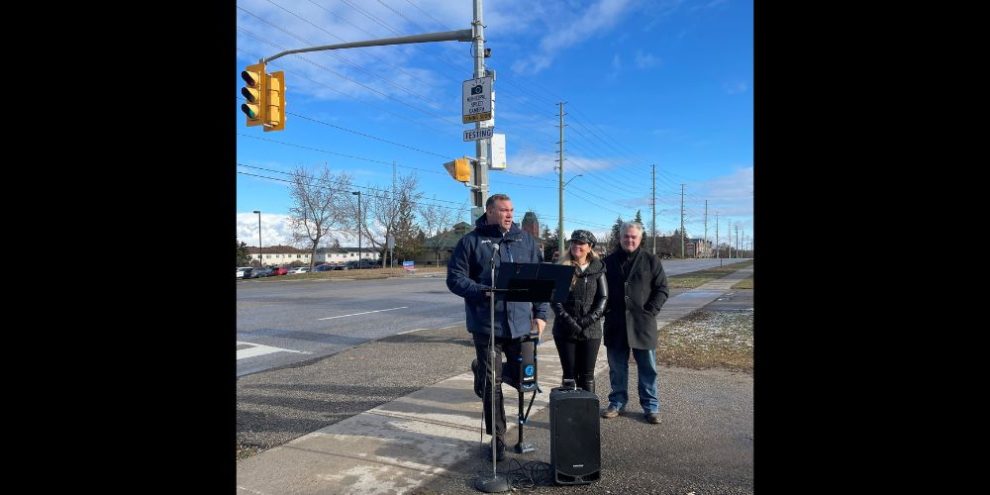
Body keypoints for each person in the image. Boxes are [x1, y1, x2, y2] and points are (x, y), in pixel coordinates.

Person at [446, 193, 549, 461]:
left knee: (522, 379)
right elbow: (455, 279)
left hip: (520, 326)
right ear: (490, 211)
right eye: (503, 210)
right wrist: (481, 291)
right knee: (493, 384)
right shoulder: (471, 241)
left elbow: (538, 279)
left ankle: (480, 372)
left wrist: (540, 314)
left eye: (512, 210)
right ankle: (498, 438)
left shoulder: (525, 240)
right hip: (486, 324)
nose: (509, 215)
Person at [601, 221, 669, 424]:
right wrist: (606, 310)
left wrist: (650, 311)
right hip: (616, 324)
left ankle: (651, 407)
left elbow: (662, 289)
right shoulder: (608, 262)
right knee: (617, 368)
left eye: (633, 237)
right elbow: (599, 291)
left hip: (643, 324)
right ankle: (617, 402)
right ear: (620, 238)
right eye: (626, 236)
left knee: (648, 368)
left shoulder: (651, 261)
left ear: (640, 239)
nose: (629, 240)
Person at [551, 229, 608, 393]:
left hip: (591, 330)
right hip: (565, 330)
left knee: (587, 376)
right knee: (569, 375)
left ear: (590, 247)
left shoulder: (598, 268)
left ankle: (587, 413)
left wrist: (586, 321)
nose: (576, 246)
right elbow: (555, 300)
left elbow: (603, 298)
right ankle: (569, 416)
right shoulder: (561, 267)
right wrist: (570, 322)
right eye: (574, 242)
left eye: (581, 243)